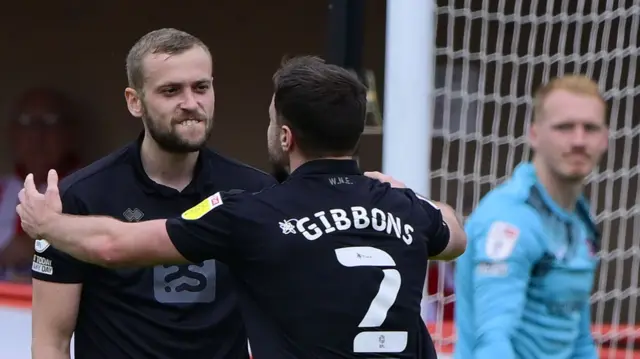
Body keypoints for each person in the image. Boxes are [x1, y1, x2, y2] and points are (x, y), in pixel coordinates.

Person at [18, 56, 467, 359]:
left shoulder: (251, 210)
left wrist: (48, 224)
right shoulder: (404, 209)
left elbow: (115, 245)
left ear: (287, 137)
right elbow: (455, 236)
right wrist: (407, 194)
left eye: (272, 121)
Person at [29, 28, 276, 359]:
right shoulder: (77, 199)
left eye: (201, 87)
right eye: (171, 90)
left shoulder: (256, 193)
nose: (191, 103)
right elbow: (50, 343)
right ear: (135, 101)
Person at [453, 75, 608, 359]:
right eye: (564, 127)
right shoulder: (509, 220)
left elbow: (580, 341)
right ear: (534, 134)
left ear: (605, 138)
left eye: (590, 128)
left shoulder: (580, 220)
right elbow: (493, 342)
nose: (578, 140)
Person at [0, 88, 81, 282]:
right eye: (27, 123)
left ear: (69, 133)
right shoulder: (1, 190)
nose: (37, 135)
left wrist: (40, 244)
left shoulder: (88, 189)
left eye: (50, 122)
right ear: (12, 132)